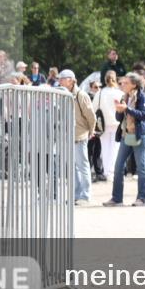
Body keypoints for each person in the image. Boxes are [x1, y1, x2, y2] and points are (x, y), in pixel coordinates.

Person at [103, 73, 145, 207]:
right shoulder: (124, 97)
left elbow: (143, 115)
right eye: (122, 83)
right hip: (126, 135)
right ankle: (117, 199)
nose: (122, 85)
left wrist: (127, 109)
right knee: (118, 166)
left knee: (141, 168)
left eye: (125, 83)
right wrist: (119, 110)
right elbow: (119, 119)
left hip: (139, 135)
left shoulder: (142, 96)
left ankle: (141, 198)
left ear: (134, 85)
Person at [58, 69, 97, 206]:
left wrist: (91, 130)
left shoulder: (81, 95)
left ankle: (85, 195)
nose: (59, 81)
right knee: (73, 168)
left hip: (80, 135)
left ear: (70, 80)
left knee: (82, 166)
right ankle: (76, 194)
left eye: (62, 79)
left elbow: (91, 116)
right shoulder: (63, 94)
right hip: (67, 136)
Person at [96, 71, 125, 182]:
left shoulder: (100, 93)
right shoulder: (119, 93)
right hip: (117, 123)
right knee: (115, 148)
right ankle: (113, 171)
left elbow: (94, 108)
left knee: (105, 148)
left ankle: (107, 172)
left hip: (103, 123)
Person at [87, 80, 107, 182]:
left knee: (98, 151)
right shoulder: (88, 97)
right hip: (90, 128)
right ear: (91, 88)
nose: (98, 89)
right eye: (95, 87)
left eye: (99, 87)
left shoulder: (101, 98)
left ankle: (99, 172)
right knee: (89, 151)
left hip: (99, 127)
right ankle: (89, 173)